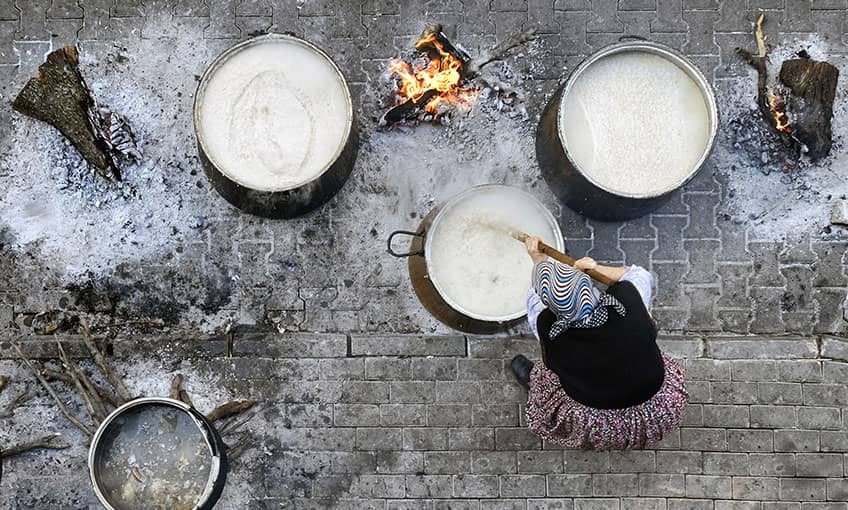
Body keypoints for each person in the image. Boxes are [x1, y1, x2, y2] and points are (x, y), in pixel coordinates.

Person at [511, 236, 688, 450]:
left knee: (547, 374)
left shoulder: (548, 328)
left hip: (594, 406)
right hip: (651, 399)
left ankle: (533, 384)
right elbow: (640, 275)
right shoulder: (629, 300)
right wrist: (593, 268)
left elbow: (536, 300)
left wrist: (537, 257)